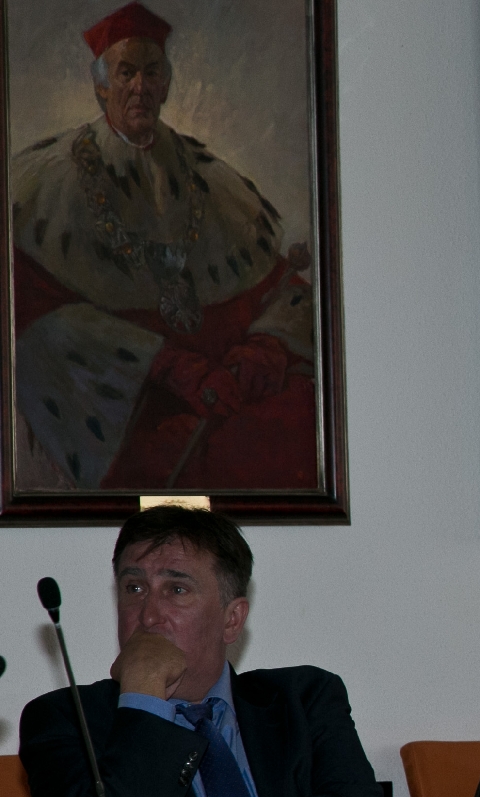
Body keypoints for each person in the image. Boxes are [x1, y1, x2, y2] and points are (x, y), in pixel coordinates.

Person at [9, 3, 318, 491]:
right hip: (129, 409)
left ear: (167, 84)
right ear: (101, 86)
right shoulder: (44, 183)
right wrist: (167, 365)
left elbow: (284, 286)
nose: (141, 87)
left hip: (229, 397)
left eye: (152, 73)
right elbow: (30, 322)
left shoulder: (209, 176)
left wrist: (268, 347)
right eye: (126, 73)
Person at [19, 506, 384, 797]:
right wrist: (144, 700)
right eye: (134, 588)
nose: (148, 616)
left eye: (176, 590)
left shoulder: (304, 699)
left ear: (232, 619)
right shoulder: (64, 720)